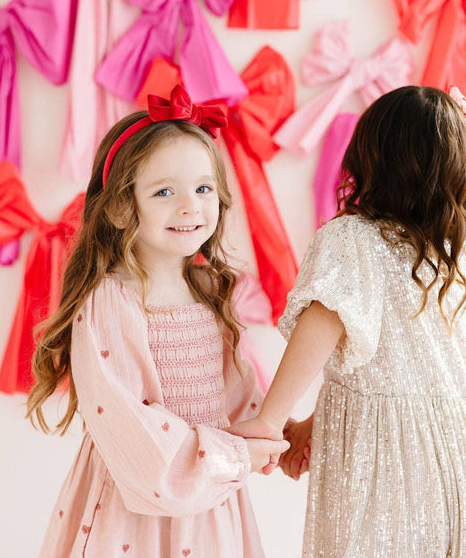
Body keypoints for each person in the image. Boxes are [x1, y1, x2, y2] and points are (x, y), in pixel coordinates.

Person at [26, 85, 287, 558]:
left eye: (203, 188)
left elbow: (236, 397)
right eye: (165, 191)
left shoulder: (209, 291)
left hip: (207, 510)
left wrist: (277, 436)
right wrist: (234, 456)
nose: (190, 206)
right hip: (135, 513)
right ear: (123, 207)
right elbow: (135, 431)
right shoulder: (112, 301)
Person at [230, 86, 466, 557]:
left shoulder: (352, 238)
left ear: (369, 156)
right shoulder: (448, 249)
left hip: (381, 456)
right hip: (449, 445)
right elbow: (403, 370)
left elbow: (325, 322)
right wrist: (312, 425)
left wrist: (271, 421)